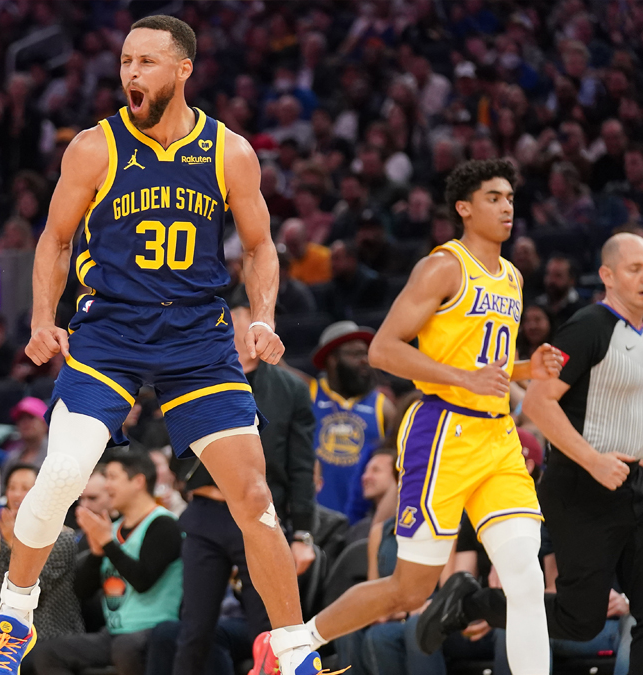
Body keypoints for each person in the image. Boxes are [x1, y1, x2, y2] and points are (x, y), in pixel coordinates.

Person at [0, 16, 322, 675]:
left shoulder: (229, 151)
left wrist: (264, 317)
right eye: (126, 62)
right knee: (63, 472)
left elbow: (258, 246)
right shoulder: (94, 147)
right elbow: (54, 239)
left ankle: (294, 649)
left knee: (254, 495)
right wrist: (43, 319)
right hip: (111, 332)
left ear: (183, 70)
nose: (131, 73)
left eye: (146, 62)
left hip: (197, 337)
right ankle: (13, 619)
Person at [254, 159, 565, 675]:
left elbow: (488, 362)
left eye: (510, 197)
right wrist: (465, 378)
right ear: (464, 208)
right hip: (443, 433)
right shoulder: (443, 267)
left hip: (498, 438)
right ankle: (293, 644)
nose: (506, 207)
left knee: (526, 578)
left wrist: (530, 367)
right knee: (410, 589)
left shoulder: (512, 276)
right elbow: (384, 350)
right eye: (493, 198)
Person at [426, 233, 643, 675]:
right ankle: (471, 602)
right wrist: (593, 460)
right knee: (580, 621)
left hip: (632, 485)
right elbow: (537, 403)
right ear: (607, 276)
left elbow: (632, 417)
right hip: (581, 485)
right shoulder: (588, 326)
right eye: (635, 269)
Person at [174, 299, 316, 675]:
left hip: (260, 514)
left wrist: (303, 533)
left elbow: (301, 467)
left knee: (268, 631)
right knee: (193, 630)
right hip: (206, 514)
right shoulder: (196, 376)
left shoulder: (291, 388)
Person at [34, 450, 184, 675]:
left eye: (113, 477)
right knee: (48, 652)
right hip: (114, 632)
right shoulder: (112, 529)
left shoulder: (164, 525)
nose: (107, 486)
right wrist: (96, 554)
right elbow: (82, 591)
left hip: (154, 631)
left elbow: (142, 580)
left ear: (138, 481)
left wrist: (107, 543)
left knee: (125, 649)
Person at [0, 464, 84, 652]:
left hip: (52, 635)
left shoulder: (61, 538)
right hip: (12, 635)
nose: (16, 495)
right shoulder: (7, 534)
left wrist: (14, 545)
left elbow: (35, 586)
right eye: (12, 487)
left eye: (25, 488)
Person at [305, 321, 395, 523]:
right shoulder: (308, 393)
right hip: (316, 517)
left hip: (365, 521)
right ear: (332, 359)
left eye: (366, 354)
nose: (364, 360)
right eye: (355, 354)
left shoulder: (383, 406)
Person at [2, 397, 49, 469]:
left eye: (31, 417)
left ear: (44, 422)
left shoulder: (55, 454)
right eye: (21, 418)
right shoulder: (12, 459)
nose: (25, 422)